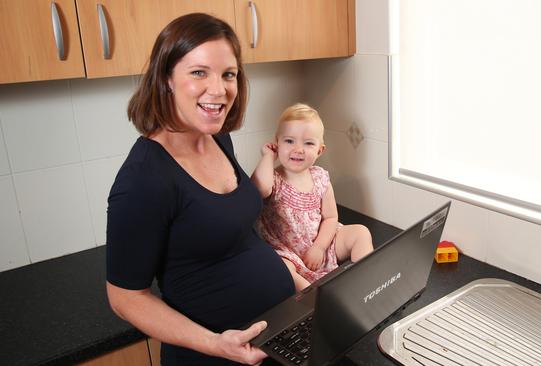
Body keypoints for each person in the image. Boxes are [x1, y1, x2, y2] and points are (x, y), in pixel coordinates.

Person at [105, 13, 294, 365]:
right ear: (166, 79)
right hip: (213, 356)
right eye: (198, 72)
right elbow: (125, 297)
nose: (219, 89)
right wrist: (215, 344)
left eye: (229, 74)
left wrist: (292, 278)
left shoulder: (217, 138)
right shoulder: (143, 179)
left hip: (273, 340)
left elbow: (233, 229)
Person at [251, 103, 374, 291]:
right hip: (287, 252)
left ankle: (365, 284)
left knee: (361, 232)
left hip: (321, 244)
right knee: (279, 267)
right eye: (289, 141)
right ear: (277, 143)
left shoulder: (320, 178)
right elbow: (259, 190)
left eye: (308, 143)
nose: (298, 149)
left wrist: (319, 247)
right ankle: (313, 298)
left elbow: (331, 218)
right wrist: (267, 156)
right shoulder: (273, 179)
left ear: (319, 150)